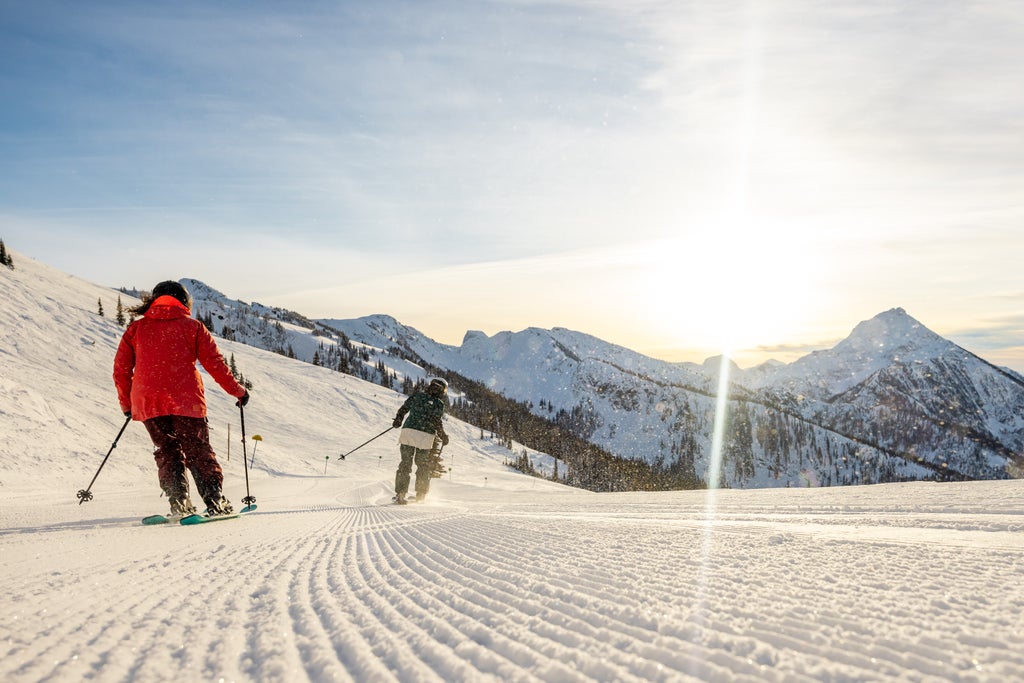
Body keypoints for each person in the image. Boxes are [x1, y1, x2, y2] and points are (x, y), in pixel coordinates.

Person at [113, 280, 249, 517]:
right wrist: (238, 391)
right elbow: (215, 365)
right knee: (197, 449)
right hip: (185, 400)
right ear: (184, 301)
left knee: (166, 450)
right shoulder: (193, 327)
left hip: (149, 402)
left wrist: (127, 404)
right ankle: (215, 500)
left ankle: (178, 501)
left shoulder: (136, 329)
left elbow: (121, 370)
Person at [392, 377, 449, 504]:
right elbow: (436, 421)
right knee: (422, 465)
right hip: (425, 436)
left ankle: (401, 493)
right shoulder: (439, 403)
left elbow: (404, 408)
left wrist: (398, 419)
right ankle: (421, 494)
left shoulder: (417, 396)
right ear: (443, 390)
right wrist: (443, 436)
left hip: (408, 432)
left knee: (405, 463)